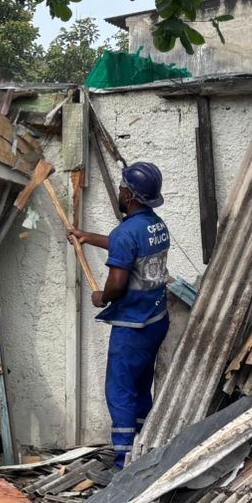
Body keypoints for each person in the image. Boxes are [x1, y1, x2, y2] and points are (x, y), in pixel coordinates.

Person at [73, 162, 172, 469]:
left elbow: (117, 281)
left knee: (120, 391)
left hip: (133, 325)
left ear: (129, 195)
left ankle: (123, 462)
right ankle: (143, 447)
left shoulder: (126, 233)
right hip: (156, 318)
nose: (119, 190)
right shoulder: (156, 225)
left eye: (121, 187)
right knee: (141, 386)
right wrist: (88, 236)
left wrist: (102, 297)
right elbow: (126, 244)